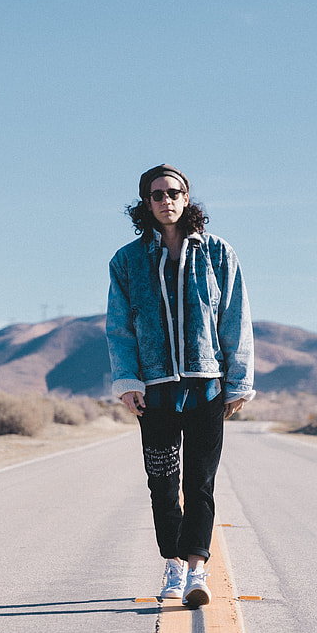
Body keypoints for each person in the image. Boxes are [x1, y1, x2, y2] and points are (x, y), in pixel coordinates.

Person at [106, 164, 255, 607]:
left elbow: (234, 317)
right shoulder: (127, 261)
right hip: (155, 392)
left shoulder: (218, 253)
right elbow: (119, 328)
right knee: (162, 483)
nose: (166, 200)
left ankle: (196, 570)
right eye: (157, 195)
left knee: (200, 481)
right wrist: (128, 380)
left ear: (187, 199)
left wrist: (238, 381)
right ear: (145, 204)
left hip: (206, 386)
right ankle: (171, 564)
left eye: (174, 192)